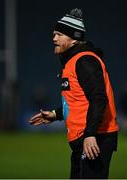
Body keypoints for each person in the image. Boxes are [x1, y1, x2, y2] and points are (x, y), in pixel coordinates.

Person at [29, 8, 119, 179]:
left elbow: (98, 99)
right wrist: (55, 114)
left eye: (59, 34)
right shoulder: (72, 62)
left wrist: (90, 134)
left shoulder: (85, 61)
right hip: (85, 139)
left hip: (95, 138)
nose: (53, 38)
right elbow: (79, 103)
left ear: (74, 38)